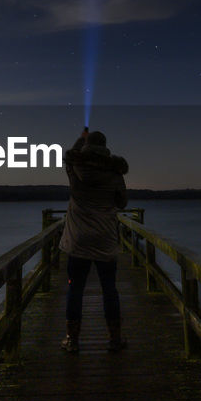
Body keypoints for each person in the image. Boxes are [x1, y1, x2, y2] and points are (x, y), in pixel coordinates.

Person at [58, 128, 129, 353]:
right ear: (106, 148)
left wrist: (80, 138)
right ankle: (115, 340)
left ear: (87, 147)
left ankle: (72, 340)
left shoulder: (74, 168)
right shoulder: (115, 172)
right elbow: (122, 203)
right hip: (105, 239)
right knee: (110, 289)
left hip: (78, 240)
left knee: (75, 289)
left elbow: (70, 155)